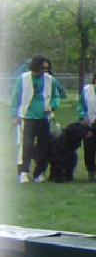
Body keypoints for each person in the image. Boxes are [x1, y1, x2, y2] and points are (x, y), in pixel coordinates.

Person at [10, 55, 64, 183]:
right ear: (35, 67)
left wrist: (52, 106)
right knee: (26, 145)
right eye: (42, 67)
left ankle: (39, 173)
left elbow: (56, 97)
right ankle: (23, 172)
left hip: (44, 118)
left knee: (43, 146)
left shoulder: (51, 80)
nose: (44, 70)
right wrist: (14, 115)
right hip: (27, 117)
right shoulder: (22, 79)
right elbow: (15, 98)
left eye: (47, 68)